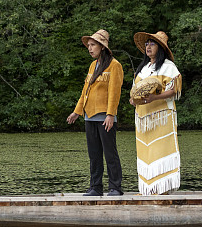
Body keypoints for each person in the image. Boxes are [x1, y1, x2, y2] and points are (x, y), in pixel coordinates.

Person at [67, 29, 124, 197]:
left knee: (110, 152)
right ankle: (95, 186)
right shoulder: (93, 65)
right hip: (89, 116)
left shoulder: (115, 65)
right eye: (89, 45)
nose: (89, 48)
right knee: (94, 154)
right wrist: (77, 112)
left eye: (93, 45)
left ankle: (115, 187)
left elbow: (115, 92)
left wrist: (110, 114)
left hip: (105, 116)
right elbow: (85, 91)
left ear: (102, 46)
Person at [129, 31, 182, 195]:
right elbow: (134, 92)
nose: (148, 46)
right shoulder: (143, 69)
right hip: (143, 118)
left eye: (152, 43)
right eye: (147, 44)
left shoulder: (168, 67)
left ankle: (163, 189)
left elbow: (173, 90)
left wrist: (154, 97)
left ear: (161, 48)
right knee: (146, 152)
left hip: (162, 116)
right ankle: (148, 188)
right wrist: (133, 100)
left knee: (161, 150)